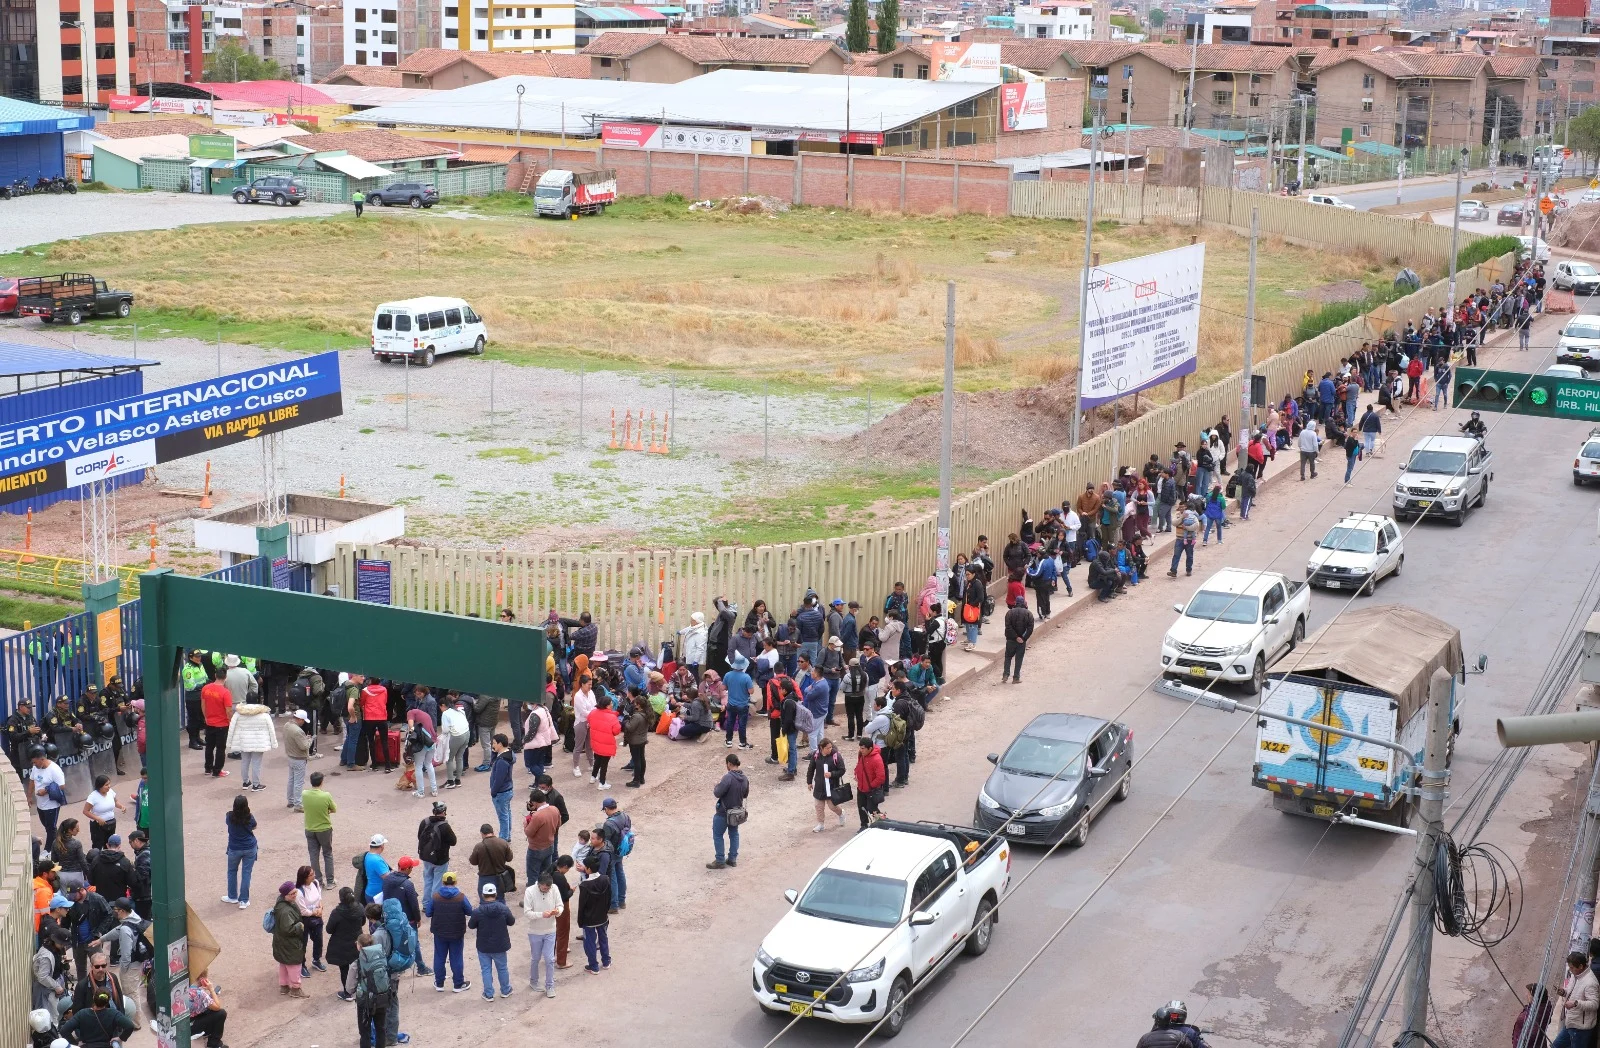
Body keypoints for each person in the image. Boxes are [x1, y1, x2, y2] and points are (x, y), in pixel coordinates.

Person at [469, 882, 515, 1001]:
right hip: (500, 945)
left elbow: (471, 925)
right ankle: (505, 990)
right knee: (502, 968)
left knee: (486, 970)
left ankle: (488, 994)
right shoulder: (503, 908)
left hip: (483, 946)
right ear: (495, 894)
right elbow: (511, 922)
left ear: (483, 895)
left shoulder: (478, 911)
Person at [428, 871, 473, 993]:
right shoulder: (460, 897)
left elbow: (428, 913)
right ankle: (458, 984)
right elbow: (470, 911)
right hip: (456, 933)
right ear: (455, 882)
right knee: (456, 958)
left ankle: (439, 983)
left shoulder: (436, 897)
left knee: (439, 957)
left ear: (443, 882)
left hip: (439, 932)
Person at [522, 871, 561, 997]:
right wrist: (541, 915)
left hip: (550, 930)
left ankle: (550, 985)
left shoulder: (554, 888)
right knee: (535, 958)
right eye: (544, 888)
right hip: (535, 932)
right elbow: (527, 912)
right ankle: (533, 981)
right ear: (539, 884)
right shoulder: (530, 891)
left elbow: (560, 905)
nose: (547, 890)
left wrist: (558, 911)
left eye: (548, 888)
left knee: (550, 959)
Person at [225, 695, 276, 792]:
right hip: (259, 742)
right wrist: (274, 743)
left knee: (244, 761)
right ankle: (256, 785)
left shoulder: (239, 713)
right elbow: (271, 730)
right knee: (256, 763)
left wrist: (229, 742)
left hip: (244, 741)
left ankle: (245, 782)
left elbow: (231, 728)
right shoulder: (264, 714)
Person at [350, 931, 390, 1048]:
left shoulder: (357, 963)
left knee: (365, 1032)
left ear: (359, 947)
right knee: (381, 1029)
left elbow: (349, 987)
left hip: (365, 1001)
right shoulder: (381, 957)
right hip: (382, 997)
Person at [709, 753, 748, 870]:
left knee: (717, 835)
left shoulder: (728, 777)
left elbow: (717, 793)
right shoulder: (744, 778)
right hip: (736, 813)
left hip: (723, 812)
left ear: (729, 764)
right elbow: (745, 794)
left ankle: (720, 860)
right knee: (734, 834)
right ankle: (732, 859)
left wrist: (716, 786)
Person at [271, 881, 309, 998]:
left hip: (281, 943)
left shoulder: (282, 903)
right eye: (292, 893)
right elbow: (288, 929)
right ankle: (295, 989)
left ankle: (284, 986)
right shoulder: (286, 911)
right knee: (294, 966)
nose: (295, 895)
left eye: (295, 892)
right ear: (285, 895)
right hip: (290, 944)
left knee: (283, 963)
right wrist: (299, 926)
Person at [327, 886, 366, 1001]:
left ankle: (347, 993)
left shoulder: (336, 913)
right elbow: (363, 922)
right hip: (357, 942)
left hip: (341, 945)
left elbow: (329, 929)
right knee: (359, 966)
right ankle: (361, 989)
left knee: (344, 969)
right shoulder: (360, 907)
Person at [576, 854, 612, 974]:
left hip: (589, 920)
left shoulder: (585, 885)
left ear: (588, 869)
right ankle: (606, 961)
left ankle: (593, 966)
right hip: (602, 917)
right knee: (603, 939)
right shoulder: (605, 879)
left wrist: (580, 921)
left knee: (590, 943)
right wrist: (605, 912)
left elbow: (582, 906)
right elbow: (609, 898)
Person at [59, 991, 133, 1048]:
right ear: (107, 1001)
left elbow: (64, 1030)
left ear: (93, 998)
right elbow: (130, 1026)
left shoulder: (82, 1013)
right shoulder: (113, 1013)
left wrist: (75, 1044)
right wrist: (121, 1038)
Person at [1556, 950, 1599, 1048]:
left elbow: (1594, 1004)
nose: (1570, 970)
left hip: (1580, 1028)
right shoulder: (1575, 975)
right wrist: (1564, 992)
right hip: (1571, 1022)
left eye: (1571, 967)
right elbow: (1572, 991)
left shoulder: (1590, 982)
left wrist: (1575, 1003)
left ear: (1580, 966)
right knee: (1556, 1045)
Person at [301, 771, 337, 887]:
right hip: (324, 829)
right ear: (321, 782)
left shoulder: (305, 794)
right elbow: (334, 809)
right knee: (327, 854)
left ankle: (318, 881)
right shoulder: (326, 795)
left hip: (310, 828)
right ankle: (330, 881)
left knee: (313, 855)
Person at [222, 794, 257, 909]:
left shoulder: (229, 816)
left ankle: (232, 897)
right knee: (246, 873)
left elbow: (229, 823)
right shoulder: (249, 817)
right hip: (250, 847)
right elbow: (254, 826)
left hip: (234, 848)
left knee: (232, 872)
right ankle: (244, 900)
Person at [806, 737, 847, 832]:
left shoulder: (836, 755)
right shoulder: (816, 755)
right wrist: (809, 782)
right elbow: (811, 769)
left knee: (832, 806)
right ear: (822, 748)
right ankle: (821, 824)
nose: (830, 749)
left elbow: (842, 770)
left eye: (830, 747)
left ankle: (841, 813)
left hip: (831, 786)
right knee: (818, 806)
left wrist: (831, 774)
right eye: (827, 748)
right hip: (819, 786)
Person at [523, 789, 561, 885]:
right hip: (550, 846)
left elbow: (529, 833)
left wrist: (525, 824)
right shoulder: (554, 809)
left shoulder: (537, 816)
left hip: (536, 849)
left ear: (534, 802)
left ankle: (533, 892)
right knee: (545, 874)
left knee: (533, 875)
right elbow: (558, 824)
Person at [29, 747, 65, 844]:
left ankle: (49, 849)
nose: (34, 764)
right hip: (40, 805)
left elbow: (61, 786)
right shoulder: (36, 768)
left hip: (51, 805)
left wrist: (45, 791)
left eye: (35, 762)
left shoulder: (54, 769)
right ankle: (61, 841)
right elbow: (32, 780)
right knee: (48, 826)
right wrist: (29, 797)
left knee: (50, 829)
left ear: (42, 759)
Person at [201, 673, 233, 778]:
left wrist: (206, 717)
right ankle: (217, 770)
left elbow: (203, 705)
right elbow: (228, 710)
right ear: (225, 677)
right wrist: (230, 721)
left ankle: (208, 768)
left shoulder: (205, 688)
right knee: (220, 748)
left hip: (209, 722)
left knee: (209, 746)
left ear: (215, 675)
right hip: (222, 724)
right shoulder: (225, 692)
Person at [586, 698, 621, 792]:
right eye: (611, 703)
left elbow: (589, 721)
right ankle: (602, 783)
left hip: (596, 741)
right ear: (607, 705)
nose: (612, 705)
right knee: (604, 764)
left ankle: (593, 777)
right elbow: (616, 730)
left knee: (597, 759)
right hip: (606, 743)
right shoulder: (612, 717)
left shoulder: (593, 712)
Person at [81, 776, 123, 852]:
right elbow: (85, 811)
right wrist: (97, 818)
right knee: (98, 846)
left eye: (109, 784)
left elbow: (115, 802)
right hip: (98, 826)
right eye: (106, 785)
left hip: (111, 823)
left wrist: (121, 806)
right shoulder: (93, 796)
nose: (109, 786)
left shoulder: (110, 792)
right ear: (100, 786)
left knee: (110, 845)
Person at [186, 976, 228, 1048]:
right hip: (191, 1028)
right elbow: (217, 1007)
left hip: (184, 1024)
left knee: (208, 1010)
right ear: (201, 979)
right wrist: (211, 990)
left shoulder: (185, 988)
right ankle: (214, 1044)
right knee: (221, 1013)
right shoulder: (199, 992)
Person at [283, 710, 313, 810]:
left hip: (290, 756)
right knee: (298, 782)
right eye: (303, 720)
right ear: (299, 719)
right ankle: (298, 804)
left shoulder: (287, 725)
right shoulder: (298, 731)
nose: (303, 722)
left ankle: (290, 801)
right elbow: (304, 746)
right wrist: (309, 740)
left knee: (291, 780)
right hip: (299, 759)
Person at [854, 738, 887, 829]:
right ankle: (864, 825)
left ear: (870, 748)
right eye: (860, 748)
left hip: (871, 790)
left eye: (863, 748)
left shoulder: (876, 759)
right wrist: (856, 774)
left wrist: (870, 786)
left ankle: (884, 824)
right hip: (861, 788)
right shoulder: (861, 754)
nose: (861, 750)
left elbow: (881, 777)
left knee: (872, 809)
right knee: (862, 808)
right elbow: (859, 765)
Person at [440, 696, 471, 790]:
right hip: (466, 734)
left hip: (456, 736)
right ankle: (458, 780)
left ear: (443, 705)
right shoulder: (459, 710)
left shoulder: (445, 713)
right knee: (459, 757)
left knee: (449, 759)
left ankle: (450, 782)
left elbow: (445, 730)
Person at [489, 734, 515, 841]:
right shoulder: (509, 754)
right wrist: (494, 752)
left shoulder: (501, 761)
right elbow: (492, 763)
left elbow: (499, 779)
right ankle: (507, 835)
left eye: (494, 743)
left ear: (500, 744)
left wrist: (493, 791)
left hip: (501, 792)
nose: (493, 745)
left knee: (503, 817)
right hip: (508, 790)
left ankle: (503, 838)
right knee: (507, 814)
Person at [1002, 595, 1033, 684]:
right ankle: (1016, 678)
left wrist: (1015, 637)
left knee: (1008, 657)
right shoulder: (1028, 614)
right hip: (1021, 642)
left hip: (1010, 640)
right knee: (1019, 659)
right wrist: (1023, 638)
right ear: (1024, 603)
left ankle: (1005, 675)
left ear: (1015, 603)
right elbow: (1030, 629)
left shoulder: (1009, 613)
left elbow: (1008, 627)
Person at [1167, 502, 1200, 579]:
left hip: (1189, 539)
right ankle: (1173, 571)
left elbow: (1196, 525)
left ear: (1186, 507)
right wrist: (1182, 517)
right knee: (1176, 555)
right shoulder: (1177, 514)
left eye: (1183, 507)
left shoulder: (1192, 514)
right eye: (1180, 507)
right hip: (1179, 538)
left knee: (1189, 556)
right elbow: (1174, 523)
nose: (1181, 508)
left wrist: (1187, 528)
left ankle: (1189, 570)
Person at [361, 834, 390, 904]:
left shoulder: (368, 855)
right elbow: (386, 877)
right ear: (382, 846)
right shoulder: (377, 860)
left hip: (371, 892)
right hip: (377, 895)